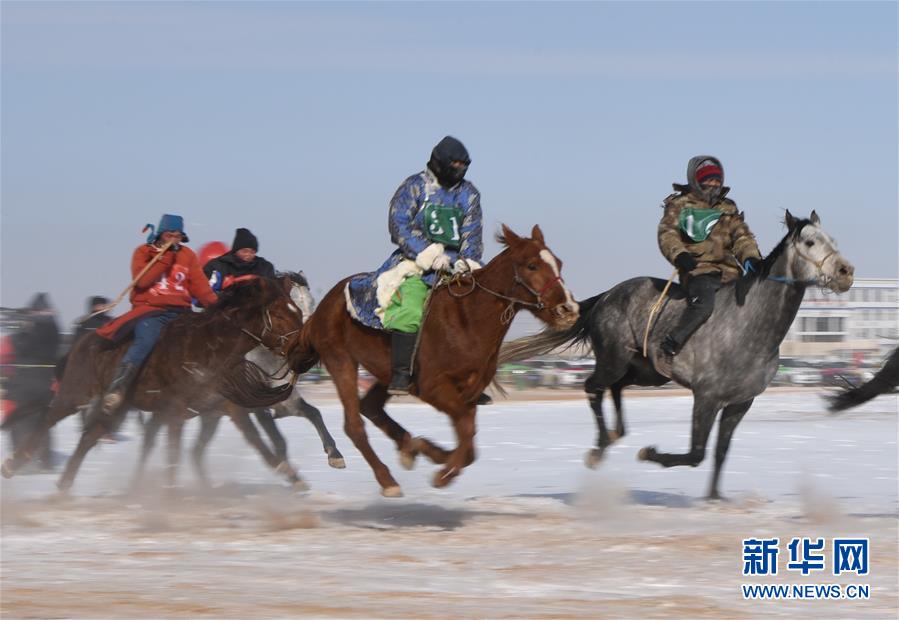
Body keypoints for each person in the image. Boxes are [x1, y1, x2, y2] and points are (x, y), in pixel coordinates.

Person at [346, 136, 483, 394]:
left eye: (464, 165)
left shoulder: (469, 193)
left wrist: (468, 261)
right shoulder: (414, 187)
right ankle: (401, 373)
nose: (460, 169)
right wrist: (429, 254)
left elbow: (472, 231)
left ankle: (473, 378)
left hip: (458, 264)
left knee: (479, 312)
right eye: (455, 164)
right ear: (441, 162)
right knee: (409, 306)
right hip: (416, 262)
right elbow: (398, 224)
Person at [93, 214, 218, 417]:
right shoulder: (143, 252)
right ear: (161, 234)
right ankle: (118, 387)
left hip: (182, 313)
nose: (174, 239)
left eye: (178, 236)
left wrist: (216, 307)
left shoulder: (188, 256)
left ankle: (197, 392)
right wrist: (165, 257)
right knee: (145, 340)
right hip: (152, 310)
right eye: (170, 234)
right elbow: (142, 282)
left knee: (204, 341)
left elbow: (201, 288)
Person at [657, 156, 762, 365]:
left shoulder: (728, 207)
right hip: (699, 272)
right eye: (708, 180)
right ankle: (671, 344)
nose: (713, 184)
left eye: (716, 180)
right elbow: (667, 234)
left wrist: (751, 259)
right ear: (696, 180)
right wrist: (679, 254)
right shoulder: (680, 204)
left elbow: (742, 238)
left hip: (731, 273)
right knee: (704, 306)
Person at [203, 227, 276, 290]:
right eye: (245, 251)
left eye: (252, 252)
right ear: (236, 251)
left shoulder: (264, 267)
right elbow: (205, 293)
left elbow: (272, 290)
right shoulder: (218, 266)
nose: (248, 255)